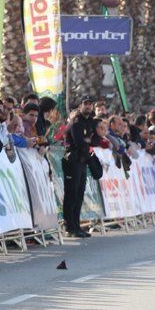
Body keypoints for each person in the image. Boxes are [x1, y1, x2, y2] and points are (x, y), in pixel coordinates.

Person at [62, 97, 95, 238]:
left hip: (82, 161)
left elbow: (93, 139)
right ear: (80, 106)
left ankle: (76, 225)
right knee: (72, 194)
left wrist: (88, 143)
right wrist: (87, 144)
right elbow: (80, 142)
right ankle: (70, 226)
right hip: (73, 160)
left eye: (90, 104)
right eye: (85, 104)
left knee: (80, 194)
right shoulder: (76, 122)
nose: (88, 106)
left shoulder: (90, 122)